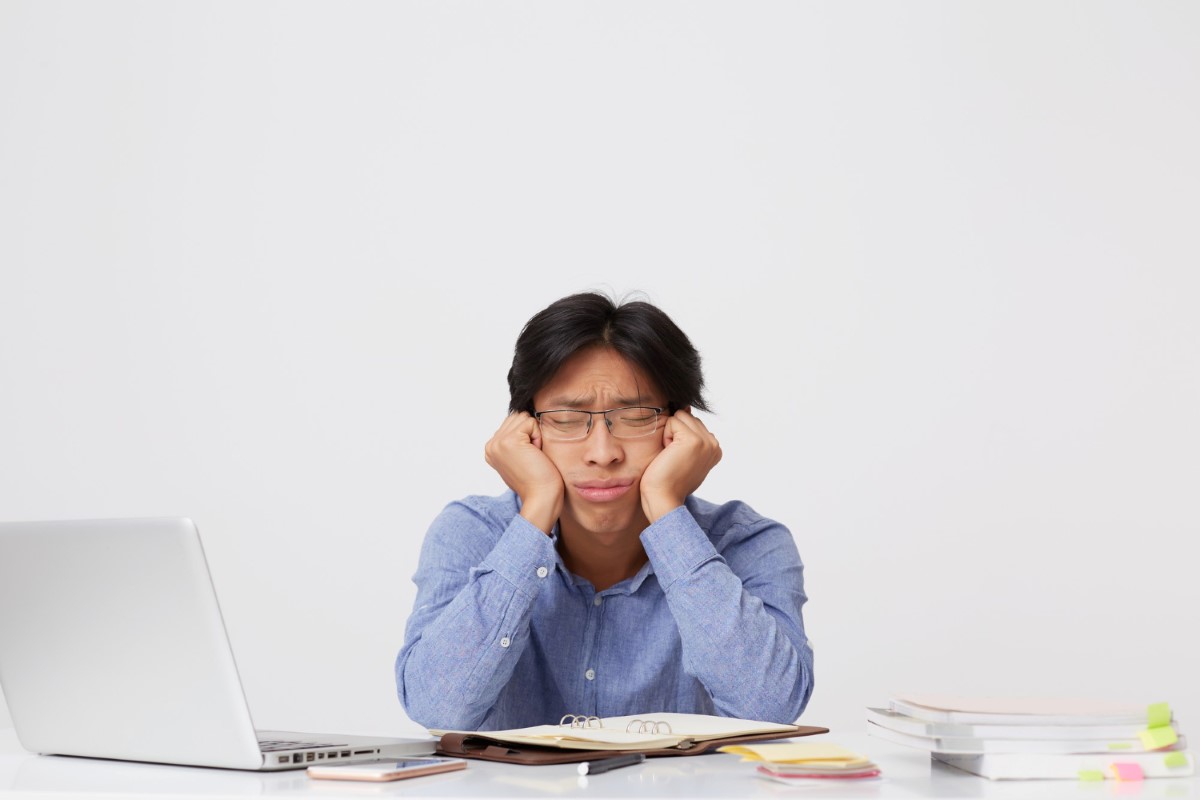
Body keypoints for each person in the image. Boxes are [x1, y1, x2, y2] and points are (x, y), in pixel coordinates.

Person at [395, 292, 813, 731]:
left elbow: (771, 710)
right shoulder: (472, 533)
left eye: (635, 416)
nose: (602, 453)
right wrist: (536, 508)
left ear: (681, 428)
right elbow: (436, 709)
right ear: (525, 429)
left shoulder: (750, 543)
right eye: (566, 417)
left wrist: (667, 512)